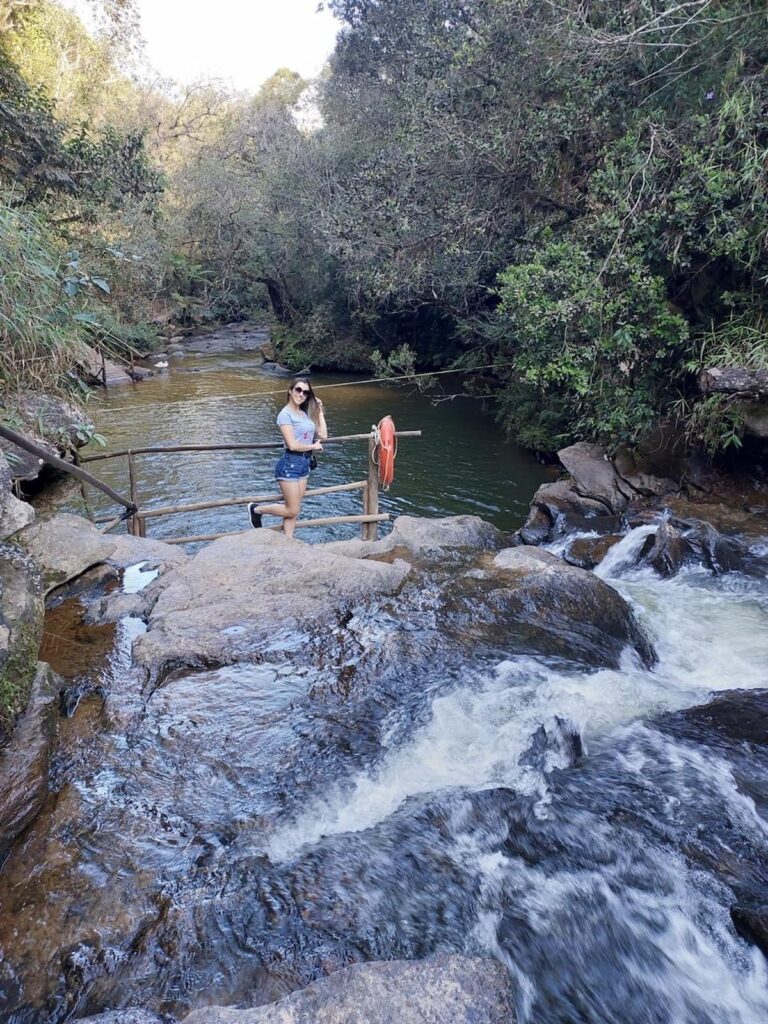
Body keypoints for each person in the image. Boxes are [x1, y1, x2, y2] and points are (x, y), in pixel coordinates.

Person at [248, 378, 327, 538]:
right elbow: (292, 445)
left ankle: (288, 541)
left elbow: (323, 435)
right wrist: (313, 446)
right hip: (290, 465)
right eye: (298, 390)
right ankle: (256, 509)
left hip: (304, 464)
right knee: (293, 509)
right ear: (290, 391)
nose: (301, 394)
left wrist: (319, 412)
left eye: (306, 392)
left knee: (294, 507)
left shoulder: (304, 413)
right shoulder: (285, 415)